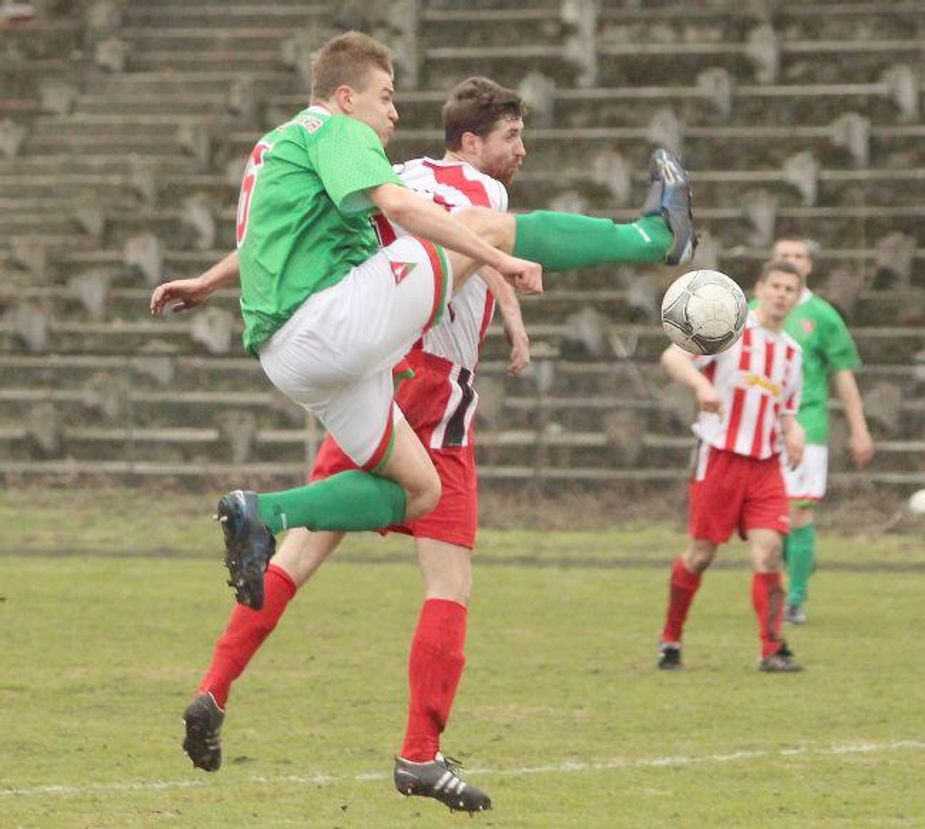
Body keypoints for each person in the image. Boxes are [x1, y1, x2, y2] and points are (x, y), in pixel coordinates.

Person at [151, 61, 695, 812]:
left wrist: (209, 282)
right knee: (449, 579)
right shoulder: (476, 188)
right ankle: (419, 752)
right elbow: (476, 230)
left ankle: (213, 686)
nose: (521, 152)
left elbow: (367, 230)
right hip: (434, 388)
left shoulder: (383, 167)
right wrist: (504, 271)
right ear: (471, 142)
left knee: (301, 550)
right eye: (512, 137)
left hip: (371, 365)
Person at [656, 260, 806, 674]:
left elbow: (787, 408)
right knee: (701, 554)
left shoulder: (792, 352)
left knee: (769, 552)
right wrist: (702, 385)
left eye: (789, 289)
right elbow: (673, 356)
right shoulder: (729, 330)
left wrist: (794, 431)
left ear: (797, 297)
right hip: (720, 456)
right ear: (760, 288)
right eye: (774, 286)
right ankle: (670, 637)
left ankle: (771, 648)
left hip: (765, 464)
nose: (781, 295)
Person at [770, 237, 874, 626]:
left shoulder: (823, 316)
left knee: (798, 510)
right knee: (767, 518)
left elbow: (843, 377)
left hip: (808, 423)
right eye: (784, 256)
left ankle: (794, 599)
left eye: (798, 257)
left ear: (809, 267)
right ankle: (801, 559)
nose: (792, 262)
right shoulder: (748, 312)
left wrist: (859, 429)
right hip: (763, 426)